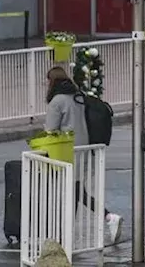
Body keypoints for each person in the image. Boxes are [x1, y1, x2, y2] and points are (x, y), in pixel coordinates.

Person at [43, 66, 123, 245]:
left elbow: (51, 129)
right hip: (84, 150)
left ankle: (105, 218)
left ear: (52, 81)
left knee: (74, 192)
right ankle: (106, 218)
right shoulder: (78, 96)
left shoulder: (57, 101)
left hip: (65, 151)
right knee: (77, 191)